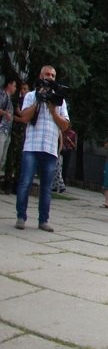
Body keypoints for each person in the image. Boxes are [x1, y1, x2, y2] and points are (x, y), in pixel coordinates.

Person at [15, 66, 71, 231]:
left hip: (50, 149)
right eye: (48, 74)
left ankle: (43, 220)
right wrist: (39, 100)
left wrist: (53, 111)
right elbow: (24, 117)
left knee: (46, 188)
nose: (51, 77)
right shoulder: (31, 96)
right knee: (25, 182)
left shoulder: (59, 101)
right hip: (32, 147)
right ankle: (21, 217)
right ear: (41, 75)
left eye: (53, 75)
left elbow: (65, 125)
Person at [0, 78, 15, 186]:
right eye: (14, 86)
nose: (15, 88)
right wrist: (6, 113)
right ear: (9, 85)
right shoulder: (3, 95)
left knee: (3, 159)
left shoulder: (10, 98)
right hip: (1, 129)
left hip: (7, 131)